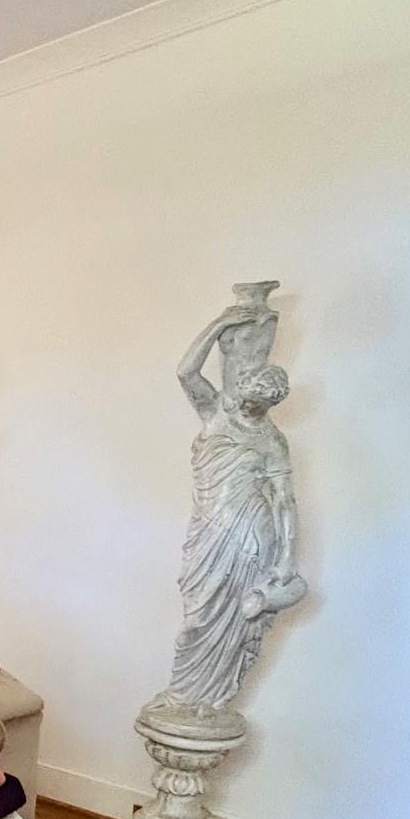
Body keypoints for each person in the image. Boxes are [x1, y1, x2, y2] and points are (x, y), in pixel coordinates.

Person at [161, 294, 308, 710]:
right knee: (199, 615)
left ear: (270, 403)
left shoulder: (273, 441)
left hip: (250, 535)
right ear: (242, 391)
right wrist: (218, 325)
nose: (252, 409)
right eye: (249, 400)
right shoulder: (216, 414)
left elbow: (284, 502)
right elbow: (185, 371)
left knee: (236, 616)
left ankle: (209, 699)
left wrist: (286, 559)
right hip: (209, 529)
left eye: (262, 406)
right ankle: (183, 694)